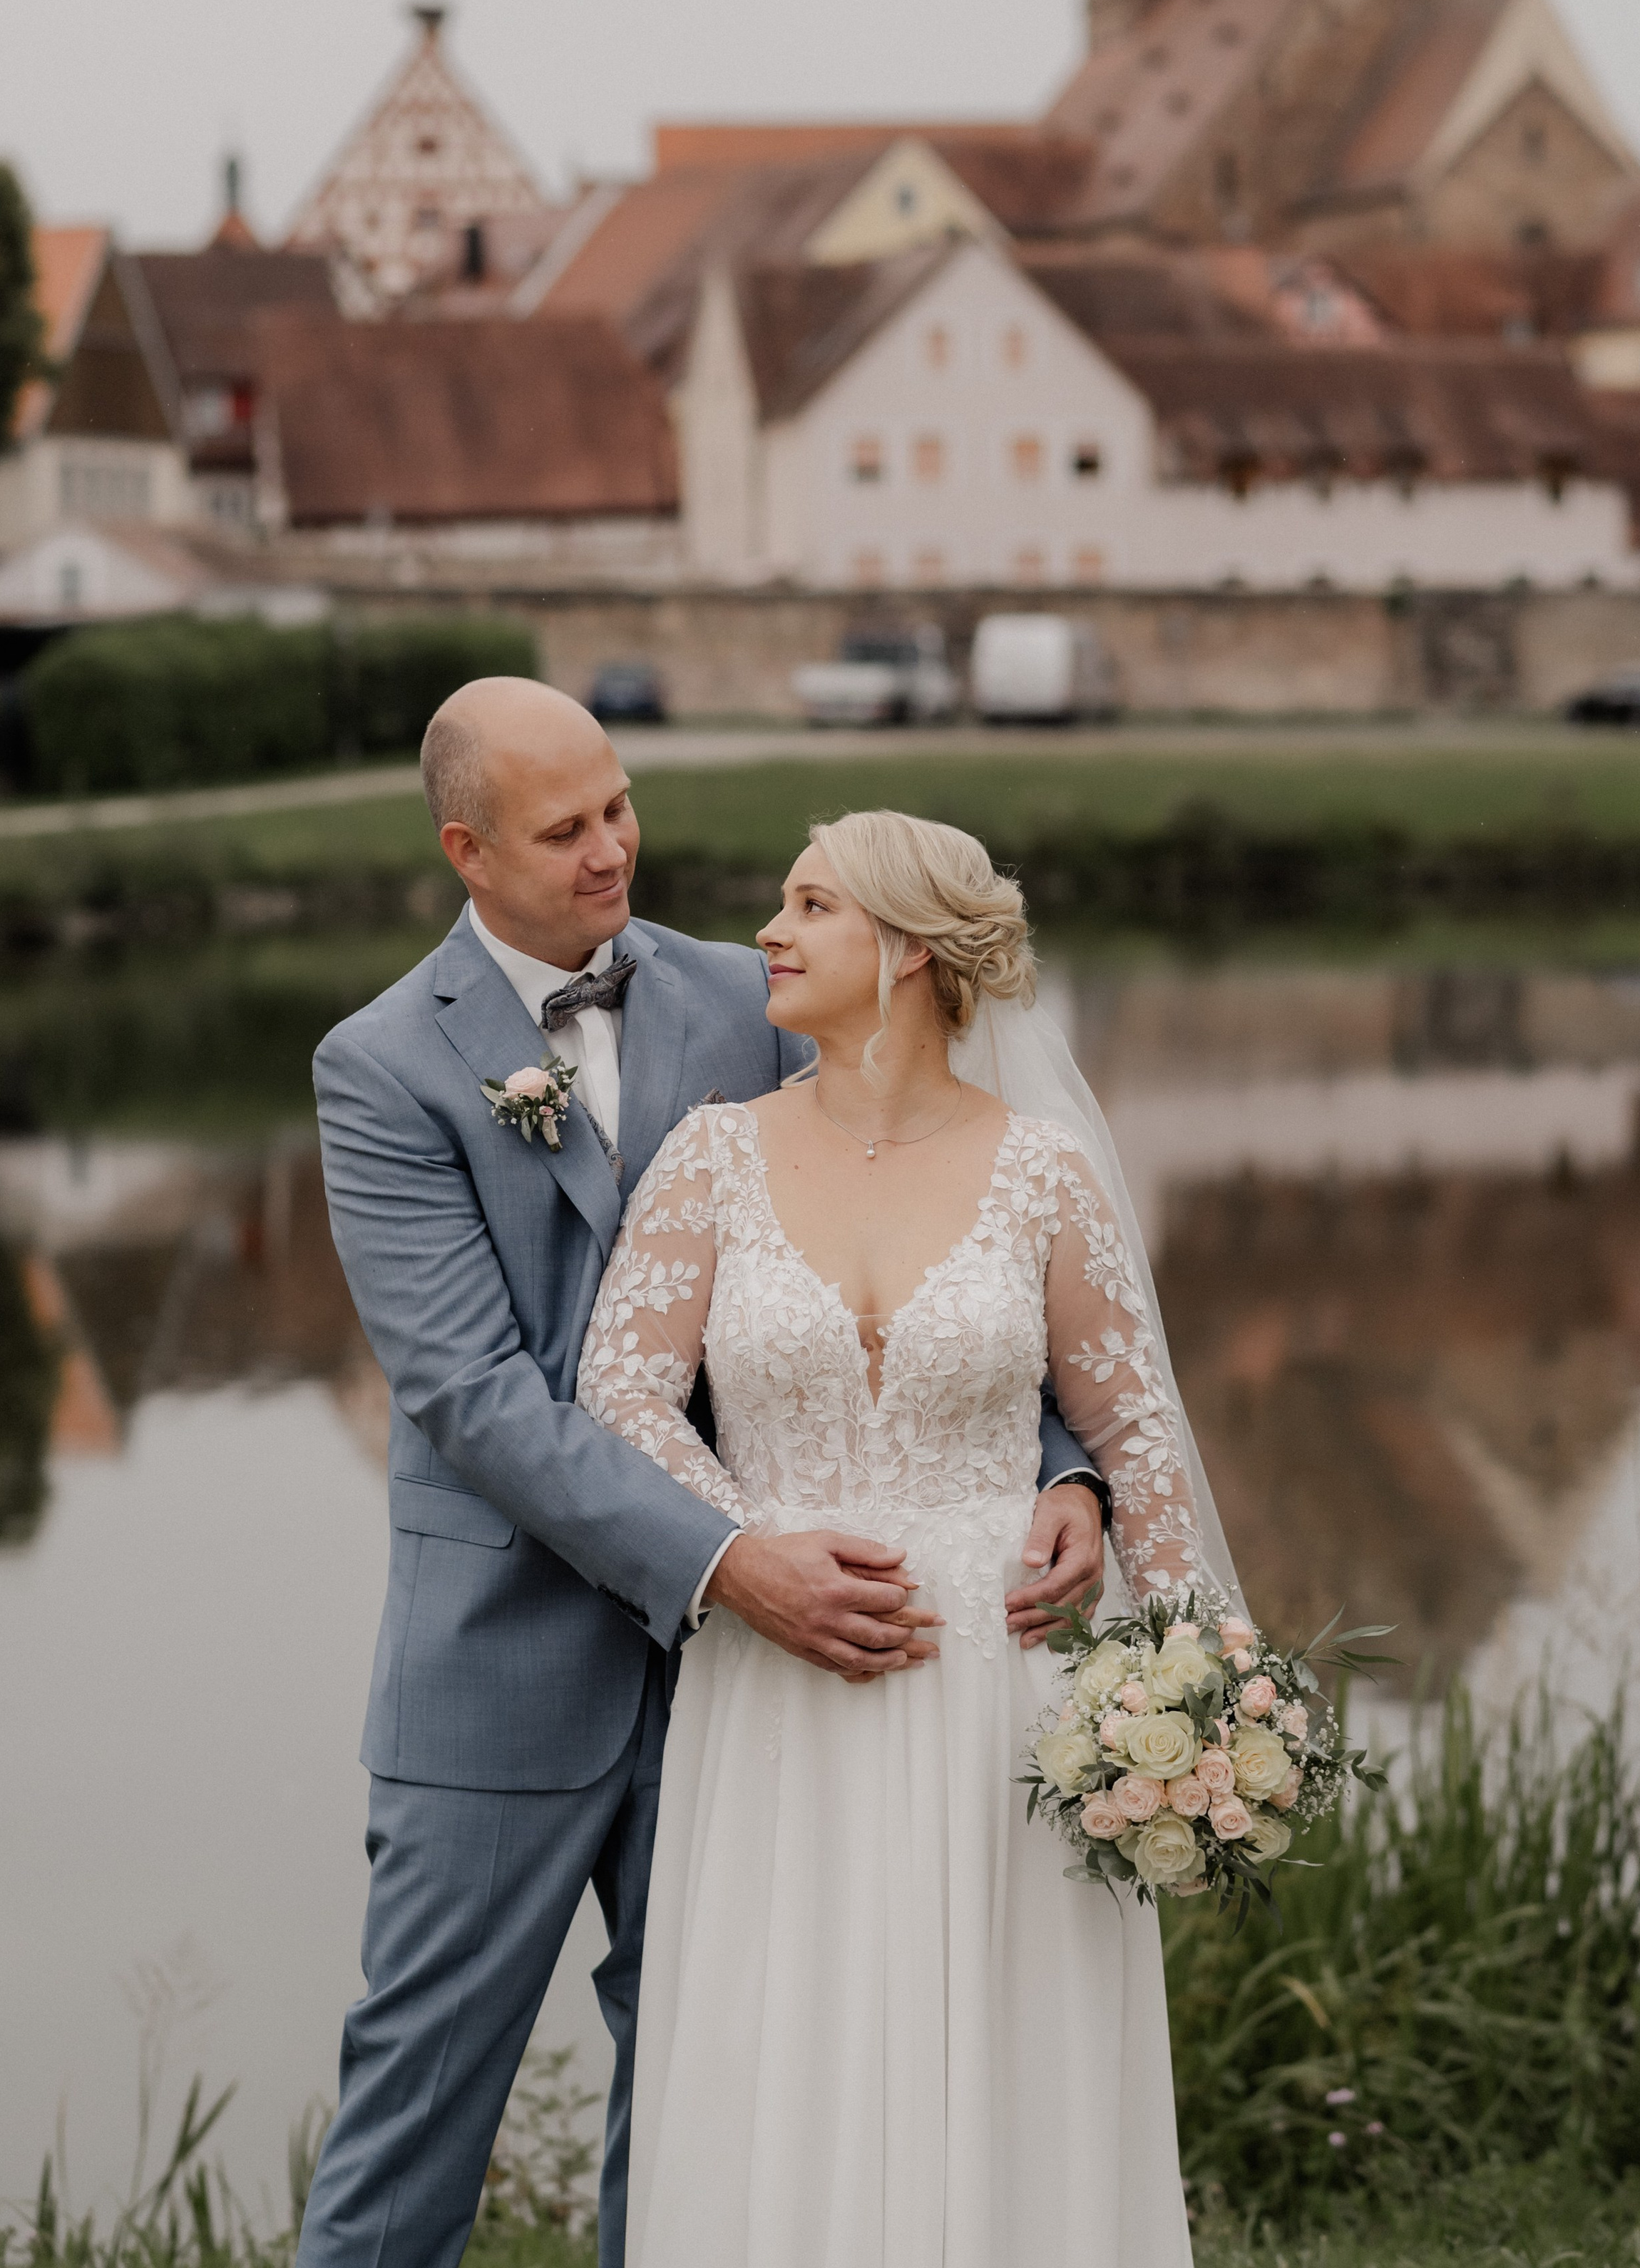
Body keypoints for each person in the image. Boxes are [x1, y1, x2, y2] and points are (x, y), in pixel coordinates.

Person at [296, 684, 1109, 2268]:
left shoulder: (760, 990)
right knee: (414, 2118)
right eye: (562, 829)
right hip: (510, 1666)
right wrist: (728, 1560)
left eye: (617, 805)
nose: (613, 850)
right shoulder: (383, 1066)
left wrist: (1068, 1465)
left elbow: (974, 1226)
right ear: (466, 851)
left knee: (710, 2115)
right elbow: (477, 1397)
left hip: (756, 1700)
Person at [576, 808, 1236, 2268]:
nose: (769, 928)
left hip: (996, 1693)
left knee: (1005, 2044)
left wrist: (1195, 1683)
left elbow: (1132, 1431)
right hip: (781, 1678)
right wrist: (751, 1551)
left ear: (908, 955)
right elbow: (618, 1394)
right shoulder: (711, 1156)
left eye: (809, 904)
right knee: (787, 2038)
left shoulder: (1044, 1171)